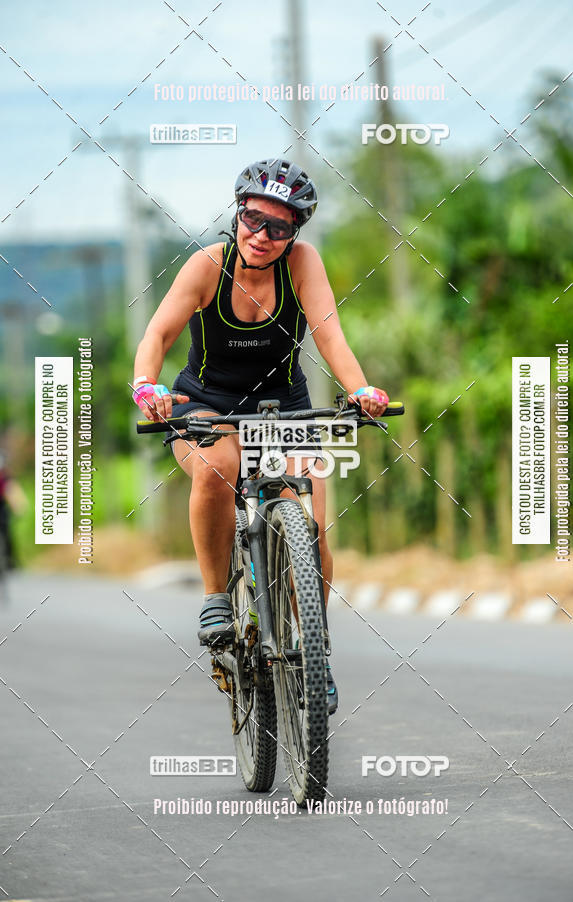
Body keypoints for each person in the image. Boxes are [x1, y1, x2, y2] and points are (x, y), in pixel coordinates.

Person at [132, 158, 390, 714]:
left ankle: (313, 652)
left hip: (283, 407)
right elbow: (158, 332)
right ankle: (215, 599)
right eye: (253, 219)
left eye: (280, 228)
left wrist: (362, 390)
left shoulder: (302, 264)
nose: (263, 236)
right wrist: (145, 388)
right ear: (237, 212)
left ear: (295, 232)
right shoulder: (207, 266)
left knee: (313, 521)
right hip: (206, 404)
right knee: (219, 468)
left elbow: (330, 336)